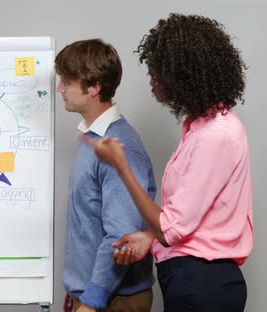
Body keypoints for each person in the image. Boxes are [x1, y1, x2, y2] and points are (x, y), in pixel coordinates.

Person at [83, 14, 253, 311]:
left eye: (157, 71)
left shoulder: (215, 135)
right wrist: (151, 237)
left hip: (202, 285)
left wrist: (120, 166)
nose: (151, 79)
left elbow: (171, 229)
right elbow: (191, 220)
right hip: (195, 281)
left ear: (182, 75)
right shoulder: (201, 127)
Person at [56, 39, 156, 312]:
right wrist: (78, 289)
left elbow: (120, 235)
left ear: (94, 87)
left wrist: (90, 301)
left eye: (66, 80)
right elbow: (88, 221)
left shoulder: (120, 145)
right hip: (95, 295)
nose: (59, 88)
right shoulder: (95, 140)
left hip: (116, 300)